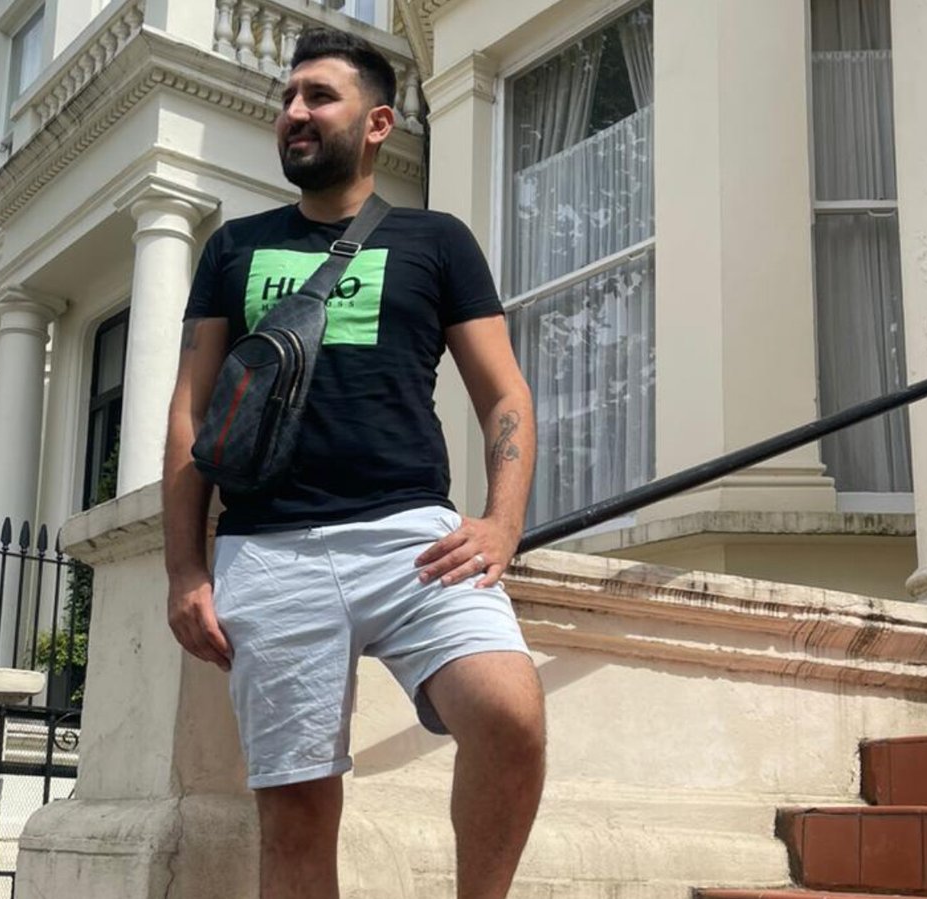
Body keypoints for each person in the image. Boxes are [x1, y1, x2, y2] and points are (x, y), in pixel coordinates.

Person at [162, 26, 545, 899]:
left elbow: (504, 393)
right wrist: (185, 568)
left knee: (510, 712)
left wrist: (503, 521)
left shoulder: (436, 240)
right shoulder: (233, 248)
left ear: (377, 123)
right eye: (288, 98)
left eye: (318, 96)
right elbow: (191, 410)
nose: (294, 112)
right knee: (296, 820)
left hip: (414, 539)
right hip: (269, 548)